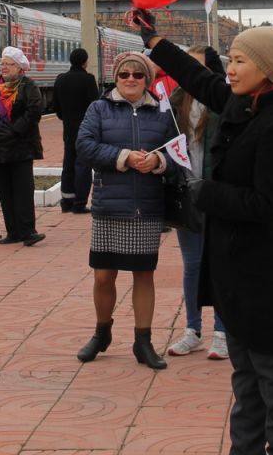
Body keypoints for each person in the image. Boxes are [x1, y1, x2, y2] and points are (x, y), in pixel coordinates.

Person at [134, 9, 273, 455]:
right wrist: (155, 42)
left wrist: (205, 191)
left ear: (266, 70)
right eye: (229, 59)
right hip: (229, 258)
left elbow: (270, 205)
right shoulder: (240, 101)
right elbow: (197, 78)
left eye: (239, 61)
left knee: (270, 366)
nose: (229, 69)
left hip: (258, 265)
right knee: (244, 368)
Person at [74, 51, 175, 370]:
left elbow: (179, 152)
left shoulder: (162, 112)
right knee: (104, 275)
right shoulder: (99, 108)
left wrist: (160, 162)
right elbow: (84, 147)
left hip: (146, 207)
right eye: (124, 74)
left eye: (138, 74)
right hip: (108, 205)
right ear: (115, 78)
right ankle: (101, 332)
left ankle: (143, 341)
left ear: (148, 79)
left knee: (143, 274)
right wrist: (125, 157)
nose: (131, 79)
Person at [165, 45, 229, 360]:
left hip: (215, 193)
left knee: (218, 264)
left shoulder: (224, 101)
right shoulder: (178, 101)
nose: (192, 72)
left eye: (199, 67)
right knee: (192, 265)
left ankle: (222, 331)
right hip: (187, 192)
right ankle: (192, 330)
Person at [0, 46, 45, 246]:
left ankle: (28, 231)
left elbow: (34, 111)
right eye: (2, 63)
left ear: (19, 68)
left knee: (23, 191)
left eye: (8, 64)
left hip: (20, 147)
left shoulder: (28, 86)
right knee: (5, 192)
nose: (4, 67)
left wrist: (14, 130)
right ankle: (13, 231)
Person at [53, 48, 99, 213]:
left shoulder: (61, 79)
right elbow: (95, 105)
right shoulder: (88, 79)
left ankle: (66, 202)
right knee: (83, 166)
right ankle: (79, 204)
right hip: (85, 130)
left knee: (68, 165)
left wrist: (66, 118)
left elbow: (56, 107)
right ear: (85, 61)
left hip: (68, 129)